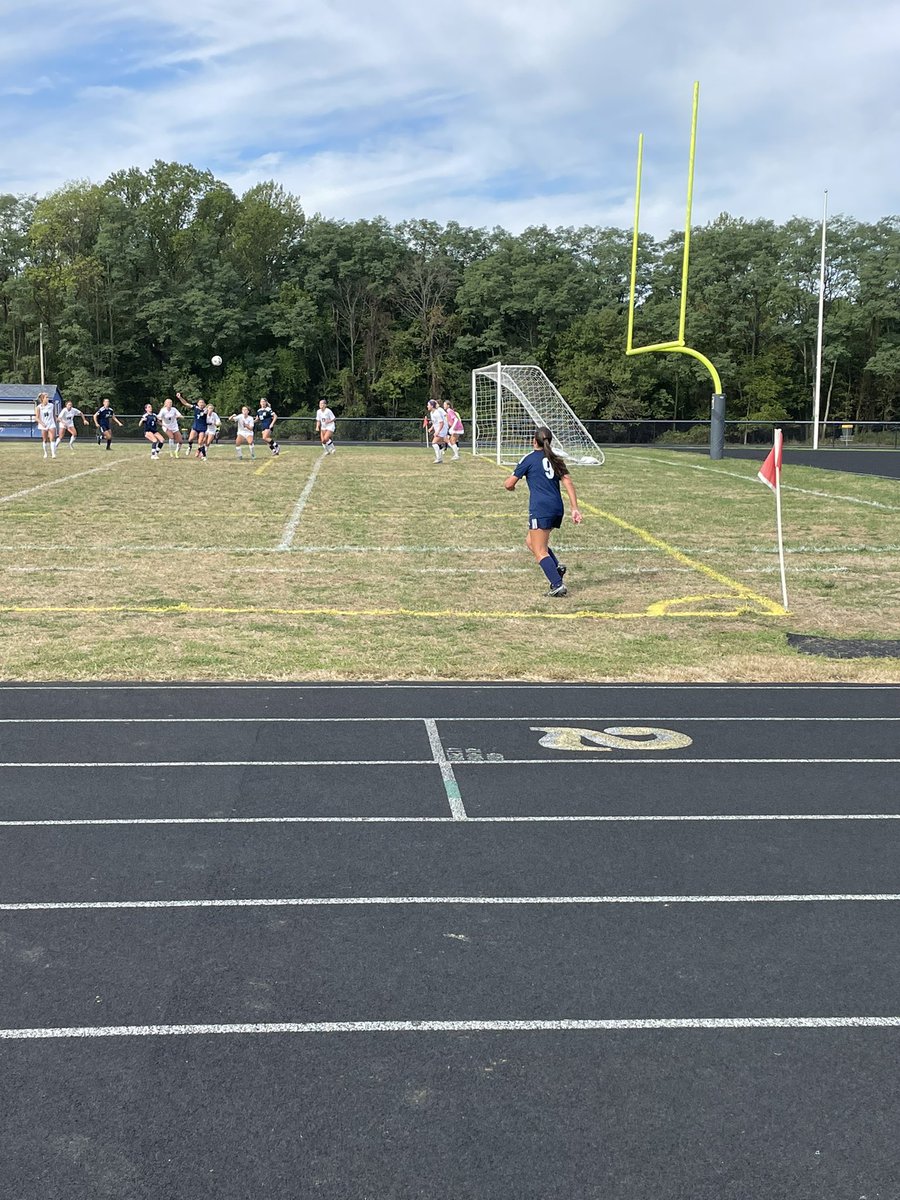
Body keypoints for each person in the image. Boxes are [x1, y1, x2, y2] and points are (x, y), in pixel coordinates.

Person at [504, 426, 582, 597]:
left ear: (534, 441)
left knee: (539, 550)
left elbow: (509, 483)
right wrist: (574, 508)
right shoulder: (556, 459)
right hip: (557, 507)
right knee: (531, 542)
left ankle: (557, 584)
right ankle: (556, 568)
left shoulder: (529, 459)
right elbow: (568, 482)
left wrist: (511, 488)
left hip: (541, 508)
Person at [34, 392, 57, 458]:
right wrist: (42, 423)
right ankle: (45, 453)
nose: (48, 398)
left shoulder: (51, 405)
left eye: (48, 397)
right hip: (43, 425)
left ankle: (53, 454)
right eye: (46, 397)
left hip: (51, 423)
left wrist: (55, 422)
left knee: (52, 438)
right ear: (42, 399)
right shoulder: (38, 407)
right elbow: (36, 418)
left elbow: (53, 415)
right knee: (45, 439)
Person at [427, 399, 449, 464]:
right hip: (439, 430)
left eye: (428, 405)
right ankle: (440, 456)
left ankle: (438, 458)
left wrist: (437, 431)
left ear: (432, 406)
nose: (427, 406)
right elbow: (435, 422)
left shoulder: (436, 413)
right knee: (439, 444)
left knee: (434, 443)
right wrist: (431, 428)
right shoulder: (431, 413)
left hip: (441, 430)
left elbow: (441, 423)